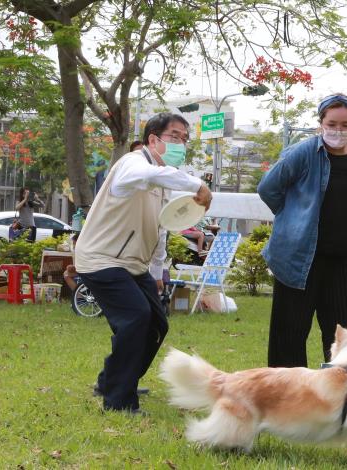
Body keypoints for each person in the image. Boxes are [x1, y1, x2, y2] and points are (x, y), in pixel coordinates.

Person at [75, 112, 212, 414]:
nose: (181, 143)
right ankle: (119, 400)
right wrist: (196, 185)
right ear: (153, 139)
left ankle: (112, 379)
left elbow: (160, 229)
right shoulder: (133, 163)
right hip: (101, 258)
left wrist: (156, 271)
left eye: (184, 139)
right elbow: (148, 176)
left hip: (134, 265)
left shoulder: (163, 179)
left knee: (156, 324)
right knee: (136, 317)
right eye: (175, 136)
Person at [258, 94, 347, 368]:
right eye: (332, 123)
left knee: (343, 336)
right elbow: (268, 188)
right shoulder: (302, 153)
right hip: (298, 258)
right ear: (320, 123)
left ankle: (340, 396)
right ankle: (286, 398)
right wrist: (291, 215)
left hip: (343, 261)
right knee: (288, 334)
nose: (338, 130)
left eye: (345, 124)